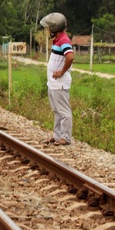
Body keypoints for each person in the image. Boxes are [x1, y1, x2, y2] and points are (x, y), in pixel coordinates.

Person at [40, 12, 75, 146]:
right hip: (53, 83)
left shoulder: (64, 40)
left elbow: (70, 56)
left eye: (49, 27)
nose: (47, 30)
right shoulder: (58, 40)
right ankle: (57, 135)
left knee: (64, 111)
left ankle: (65, 137)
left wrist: (61, 72)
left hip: (60, 84)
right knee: (56, 111)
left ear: (54, 28)